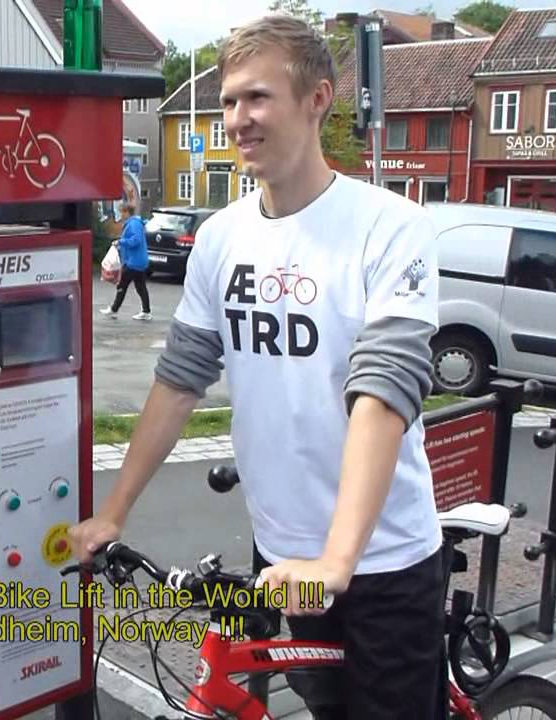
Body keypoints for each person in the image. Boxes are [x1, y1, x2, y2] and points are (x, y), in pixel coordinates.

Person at [69, 14, 445, 720]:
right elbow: (181, 379)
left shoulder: (391, 228)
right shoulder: (221, 238)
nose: (238, 118)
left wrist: (338, 562)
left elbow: (383, 394)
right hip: (285, 557)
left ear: (318, 98)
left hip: (382, 563)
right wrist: (113, 512)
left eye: (258, 98)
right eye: (230, 101)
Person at [99, 203, 152, 320]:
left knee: (122, 284)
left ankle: (114, 309)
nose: (121, 215)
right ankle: (146, 311)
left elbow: (135, 240)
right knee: (140, 287)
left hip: (133, 262)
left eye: (122, 212)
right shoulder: (135, 223)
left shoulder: (133, 224)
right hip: (138, 260)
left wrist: (121, 242)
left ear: (127, 212)